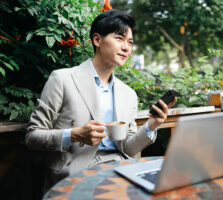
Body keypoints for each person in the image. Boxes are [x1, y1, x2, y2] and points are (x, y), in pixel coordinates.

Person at [25, 9, 176, 192]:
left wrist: (151, 126)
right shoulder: (62, 79)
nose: (126, 48)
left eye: (130, 42)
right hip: (74, 173)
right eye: (119, 38)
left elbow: (127, 148)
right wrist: (74, 134)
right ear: (97, 40)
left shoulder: (128, 94)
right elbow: (32, 136)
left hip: (120, 169)